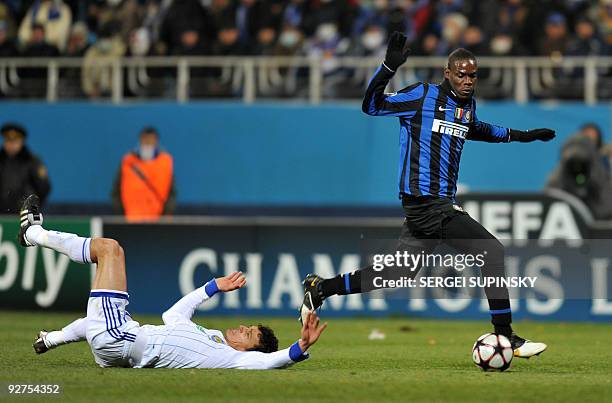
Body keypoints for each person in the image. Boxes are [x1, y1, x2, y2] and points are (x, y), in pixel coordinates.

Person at [299, 32, 555, 359]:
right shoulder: (421, 96)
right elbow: (372, 106)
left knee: (398, 272)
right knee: (491, 250)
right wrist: (388, 67)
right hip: (426, 204)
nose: (467, 80)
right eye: (460, 74)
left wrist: (523, 136)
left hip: (434, 207)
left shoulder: (466, 107)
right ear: (447, 73)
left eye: (472, 75)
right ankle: (506, 337)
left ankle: (320, 289)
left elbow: (475, 128)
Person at [19, 195, 327, 369]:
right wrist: (212, 287)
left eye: (249, 334)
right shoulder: (213, 336)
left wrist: (300, 347)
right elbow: (173, 316)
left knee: (109, 249)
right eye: (250, 326)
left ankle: (33, 233)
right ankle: (51, 340)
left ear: (250, 350)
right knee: (95, 320)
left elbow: (271, 362)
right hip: (119, 341)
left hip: (119, 340)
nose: (243, 328)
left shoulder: (229, 358)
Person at [111, 127, 176, 221]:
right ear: (140, 140)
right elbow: (116, 190)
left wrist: (166, 214)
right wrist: (121, 214)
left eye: (151, 139)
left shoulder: (165, 161)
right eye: (145, 139)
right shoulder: (128, 161)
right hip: (131, 219)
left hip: (157, 220)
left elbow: (172, 192)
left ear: (156, 141)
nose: (148, 142)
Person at [0, 123, 51, 213]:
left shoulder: (32, 161)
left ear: (21, 141)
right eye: (8, 141)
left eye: (15, 141)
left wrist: (33, 208)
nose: (11, 145)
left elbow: (44, 187)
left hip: (27, 214)